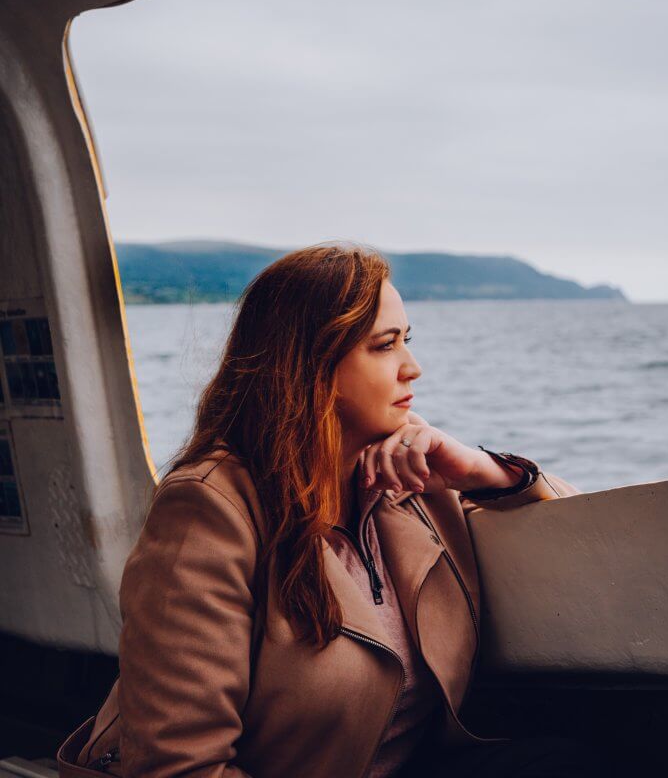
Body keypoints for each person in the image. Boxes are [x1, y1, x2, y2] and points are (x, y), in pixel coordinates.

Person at [65, 242, 603, 778]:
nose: (412, 368)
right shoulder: (209, 508)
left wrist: (487, 472)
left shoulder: (411, 473)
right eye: (384, 346)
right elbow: (178, 765)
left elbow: (584, 536)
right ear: (311, 365)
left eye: (406, 342)